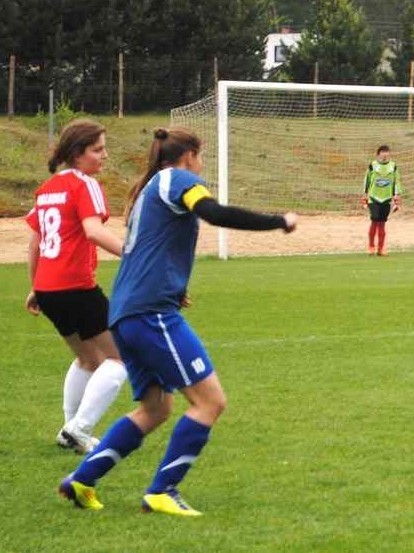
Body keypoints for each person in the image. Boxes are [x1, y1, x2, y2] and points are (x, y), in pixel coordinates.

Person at [58, 127, 298, 516]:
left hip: (126, 313)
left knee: (155, 409)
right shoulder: (179, 179)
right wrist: (278, 220)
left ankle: (82, 479)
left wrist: (171, 285)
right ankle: (162, 490)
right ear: (189, 154)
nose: (201, 167)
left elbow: (146, 250)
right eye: (200, 157)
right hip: (150, 313)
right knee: (210, 401)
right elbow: (213, 212)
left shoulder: (149, 189)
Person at [25, 118, 127, 454]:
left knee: (87, 358)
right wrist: (135, 255)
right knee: (119, 358)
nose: (105, 156)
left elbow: (36, 241)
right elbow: (93, 232)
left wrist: (35, 287)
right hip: (76, 286)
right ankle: (80, 429)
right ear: (78, 153)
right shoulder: (84, 184)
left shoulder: (47, 188)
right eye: (98, 149)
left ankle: (69, 430)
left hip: (49, 289)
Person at [361, 144, 402, 256]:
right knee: (375, 221)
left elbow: (396, 182)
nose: (385, 154)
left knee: (382, 224)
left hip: (386, 199)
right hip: (373, 198)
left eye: (387, 151)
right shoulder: (372, 166)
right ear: (378, 153)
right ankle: (371, 247)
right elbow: (367, 180)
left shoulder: (393, 166)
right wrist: (364, 196)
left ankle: (381, 248)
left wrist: (397, 197)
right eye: (383, 151)